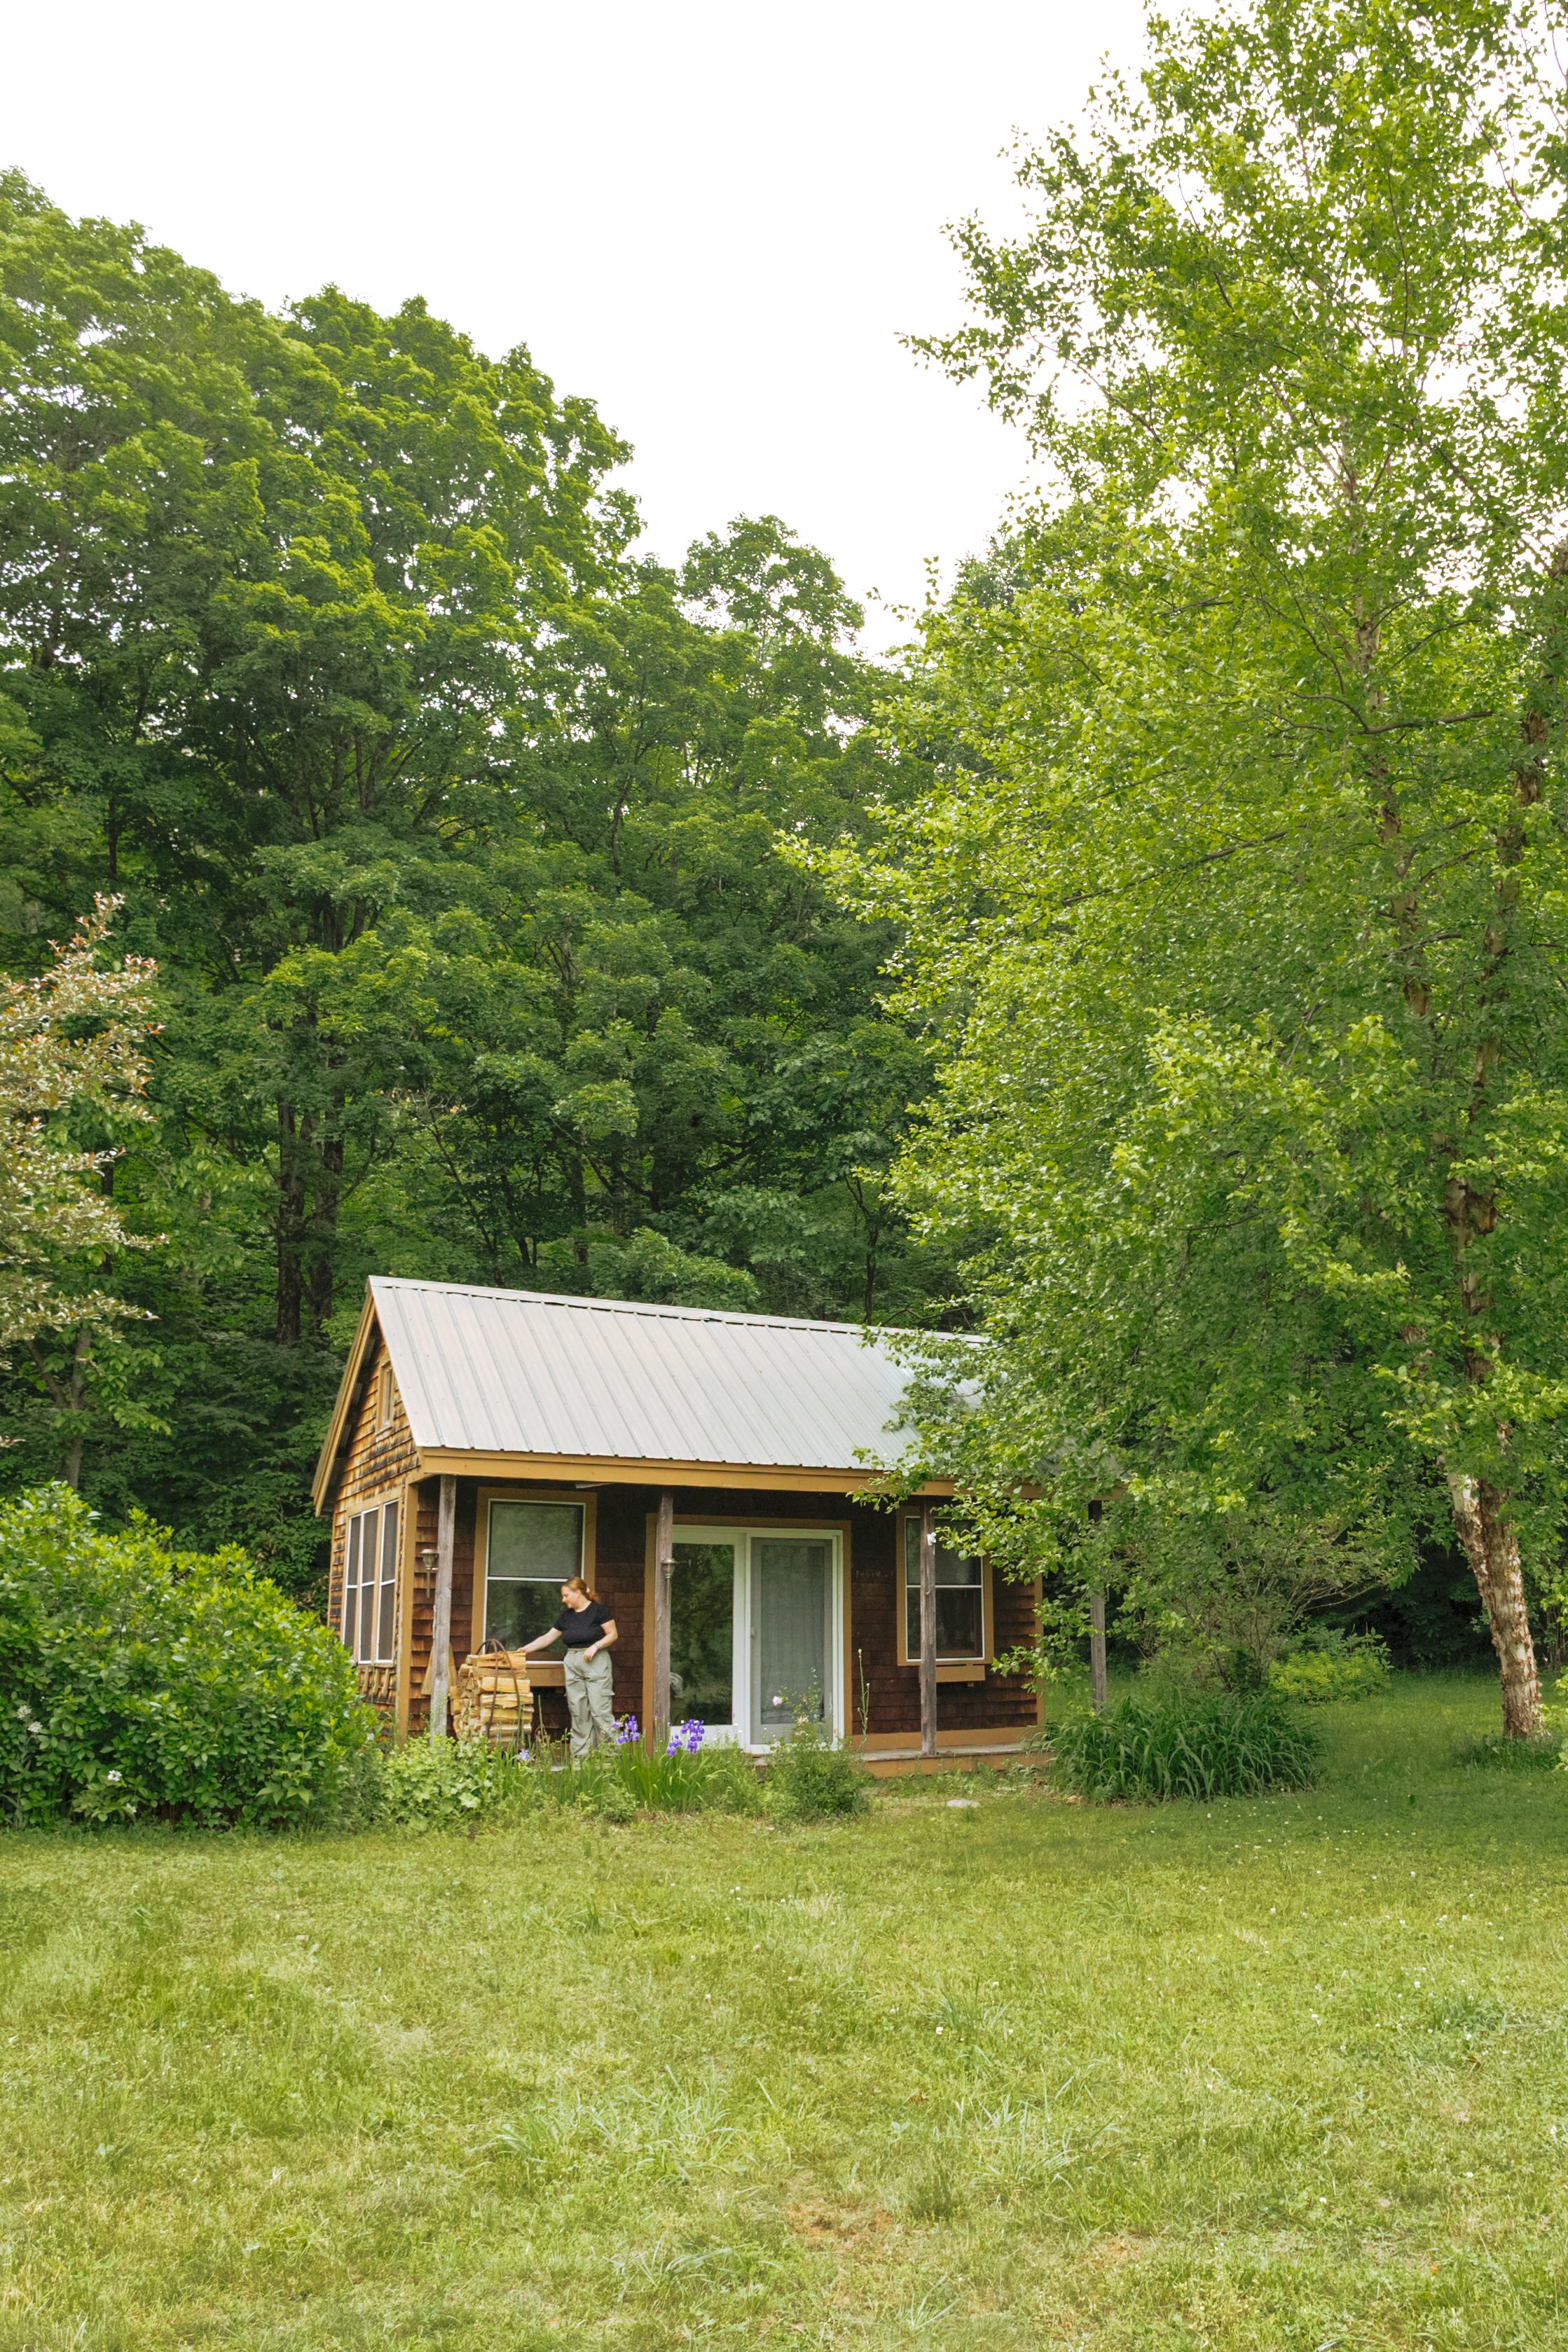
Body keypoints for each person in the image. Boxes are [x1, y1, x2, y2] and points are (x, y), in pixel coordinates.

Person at [521, 1576, 618, 1755]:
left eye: (566, 1595)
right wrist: (525, 1650)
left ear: (578, 1593)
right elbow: (547, 1638)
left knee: (600, 1712)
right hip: (573, 1663)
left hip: (595, 1662)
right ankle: (581, 1760)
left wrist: (596, 1646)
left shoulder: (599, 1612)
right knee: (578, 1712)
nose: (563, 1599)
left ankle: (613, 1757)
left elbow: (613, 1634)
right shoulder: (566, 1617)